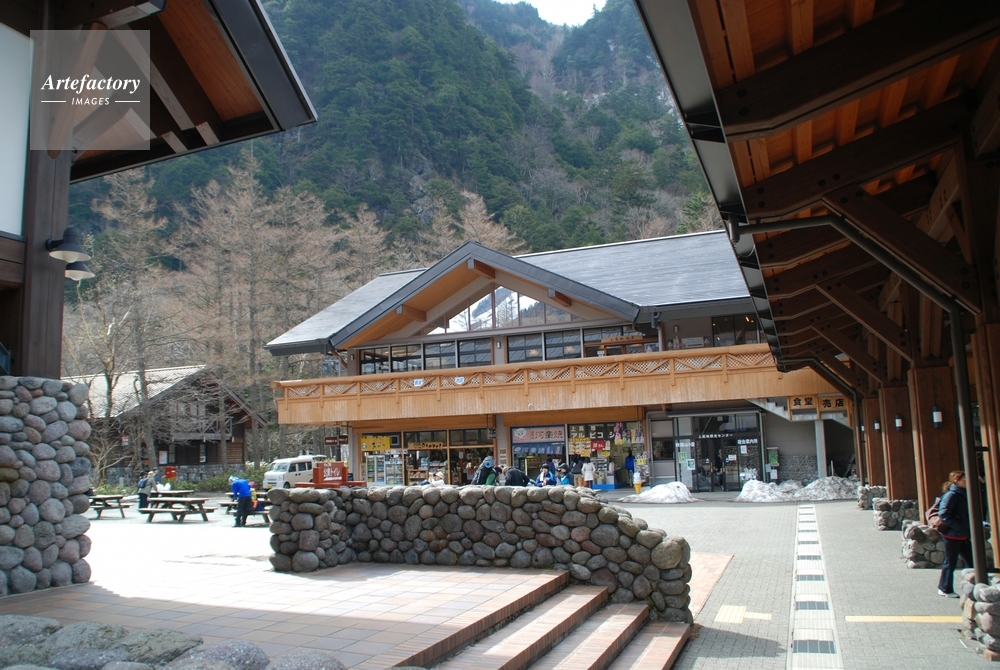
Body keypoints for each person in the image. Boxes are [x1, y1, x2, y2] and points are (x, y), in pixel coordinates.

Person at [937, 470, 973, 597]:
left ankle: (974, 586)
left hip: (963, 535)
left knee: (972, 562)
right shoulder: (952, 495)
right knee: (950, 563)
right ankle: (944, 588)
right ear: (956, 481)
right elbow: (943, 514)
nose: (967, 481)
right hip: (952, 535)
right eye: (965, 479)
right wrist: (959, 526)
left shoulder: (964, 494)